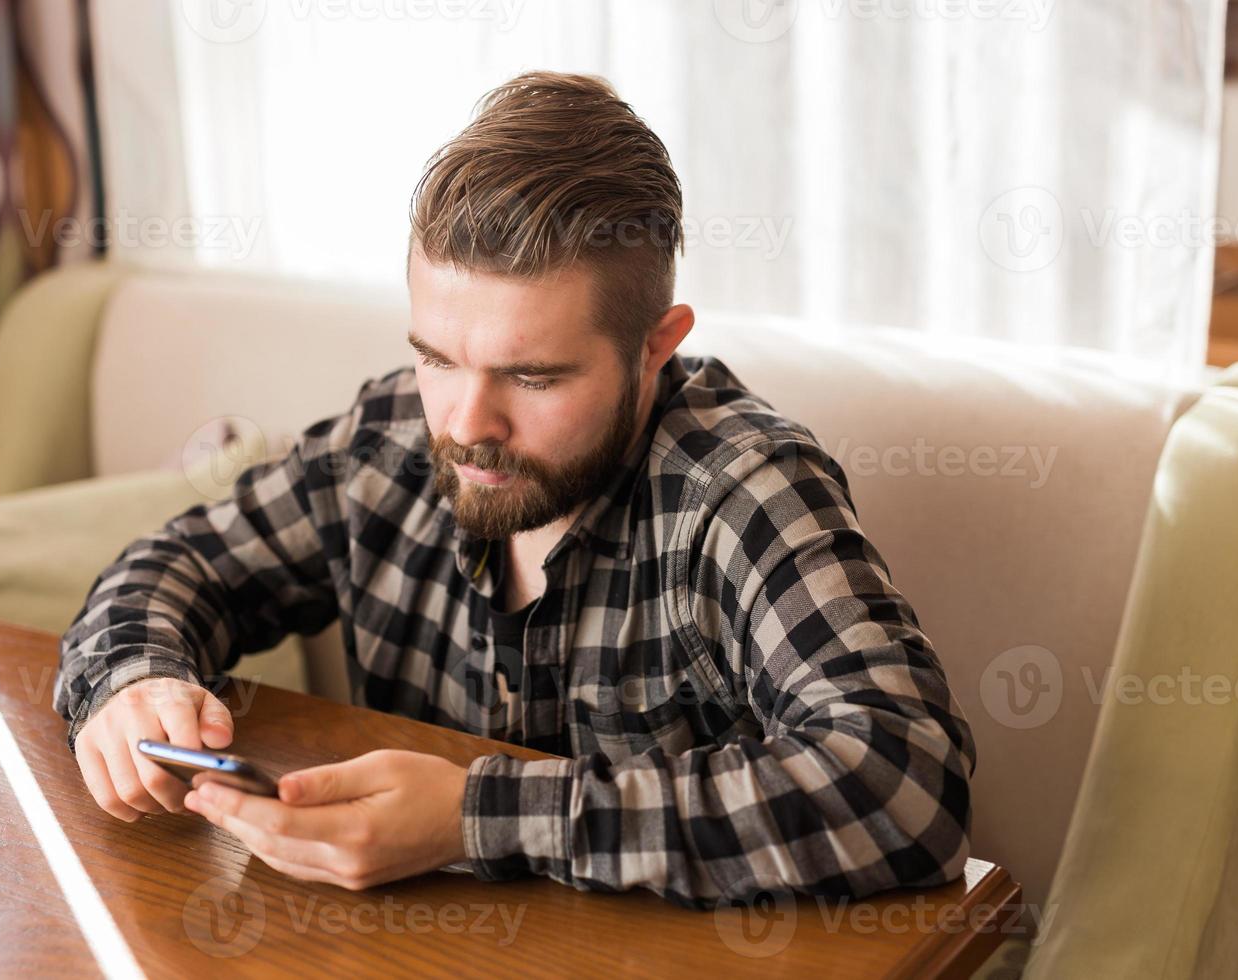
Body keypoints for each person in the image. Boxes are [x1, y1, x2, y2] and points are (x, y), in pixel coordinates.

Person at [54, 70, 975, 909]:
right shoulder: (387, 443)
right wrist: (134, 684)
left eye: (532, 378)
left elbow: (902, 781)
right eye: (437, 359)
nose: (465, 424)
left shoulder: (740, 487)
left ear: (657, 345)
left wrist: (475, 815)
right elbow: (176, 566)